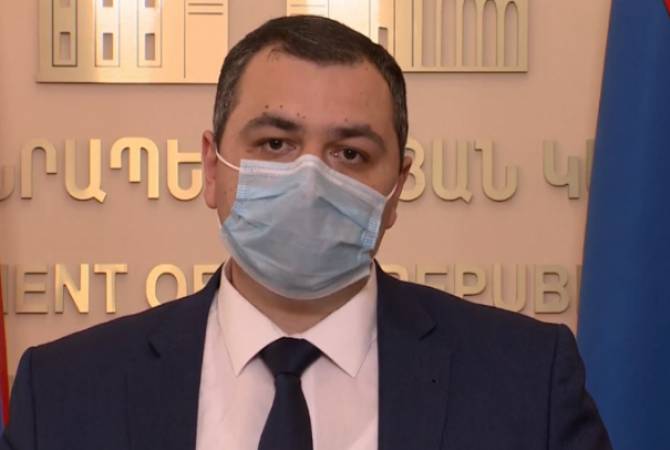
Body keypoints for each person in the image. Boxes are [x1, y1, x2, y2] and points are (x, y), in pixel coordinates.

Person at [0, 15, 612, 450]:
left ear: (397, 188)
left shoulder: (527, 382)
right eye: (276, 144)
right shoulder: (63, 393)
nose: (311, 180)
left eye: (350, 154)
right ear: (212, 167)